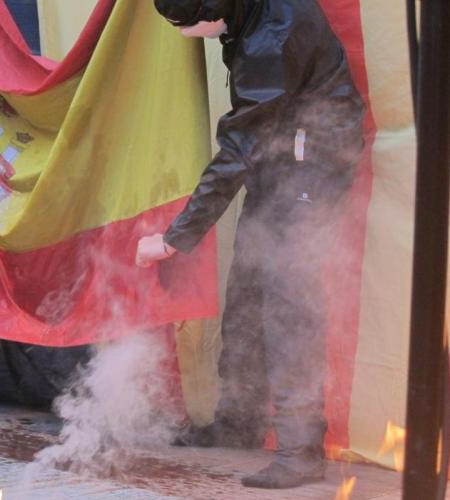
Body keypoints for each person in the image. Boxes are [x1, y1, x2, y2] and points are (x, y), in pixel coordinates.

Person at [137, 0, 366, 489]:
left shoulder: (271, 40)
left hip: (313, 159)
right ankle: (239, 422)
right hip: (279, 148)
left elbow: (238, 149)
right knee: (247, 283)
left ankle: (301, 450)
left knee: (287, 296)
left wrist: (176, 239)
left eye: (185, 25)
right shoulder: (247, 12)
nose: (183, 34)